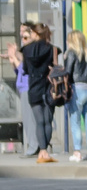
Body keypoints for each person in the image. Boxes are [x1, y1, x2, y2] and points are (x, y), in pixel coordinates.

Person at [21, 22, 56, 163]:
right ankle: (45, 149)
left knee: (39, 121)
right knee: (48, 121)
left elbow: (25, 70)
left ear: (35, 34)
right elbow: (54, 67)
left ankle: (41, 150)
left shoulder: (26, 50)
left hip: (34, 88)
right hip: (48, 87)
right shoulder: (51, 48)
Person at [62, 30, 87, 162]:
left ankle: (77, 152)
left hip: (77, 89)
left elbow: (68, 72)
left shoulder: (71, 53)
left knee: (75, 122)